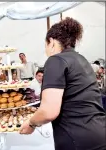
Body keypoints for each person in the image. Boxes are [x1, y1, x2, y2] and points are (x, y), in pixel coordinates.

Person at [19, 17, 106, 150]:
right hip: (98, 133)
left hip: (77, 139)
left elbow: (49, 111)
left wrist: (31, 123)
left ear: (52, 42)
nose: (46, 51)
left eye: (46, 46)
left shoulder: (56, 60)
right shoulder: (81, 60)